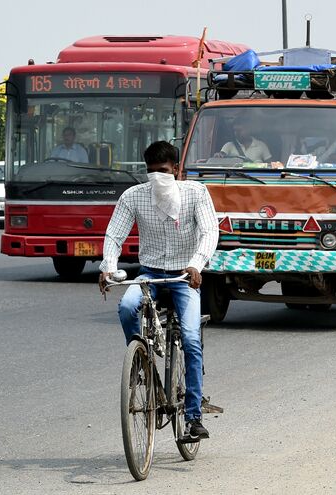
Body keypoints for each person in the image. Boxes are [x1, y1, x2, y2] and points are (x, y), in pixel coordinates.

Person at [98, 141, 219, 441]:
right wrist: (108, 267)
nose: (157, 178)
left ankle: (193, 416)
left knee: (191, 338)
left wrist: (196, 265)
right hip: (150, 273)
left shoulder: (196, 194)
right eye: (151, 172)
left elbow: (209, 231)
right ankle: (140, 361)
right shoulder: (133, 197)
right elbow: (114, 234)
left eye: (163, 171)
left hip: (184, 276)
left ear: (176, 170)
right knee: (127, 307)